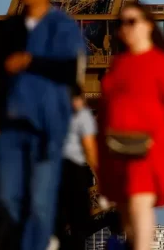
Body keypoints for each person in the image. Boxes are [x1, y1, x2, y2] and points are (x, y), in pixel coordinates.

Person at [0, 0, 86, 250]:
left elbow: (71, 70)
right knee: (7, 198)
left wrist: (30, 61)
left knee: (40, 202)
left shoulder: (62, 27)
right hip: (11, 126)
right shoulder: (10, 28)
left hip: (45, 127)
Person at [97, 1, 164, 250]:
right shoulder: (119, 63)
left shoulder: (161, 62)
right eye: (120, 23)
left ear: (149, 25)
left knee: (139, 202)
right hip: (116, 145)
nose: (125, 28)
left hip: (149, 145)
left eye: (132, 21)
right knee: (126, 210)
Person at [54, 95, 98, 250]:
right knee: (79, 223)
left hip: (53, 171)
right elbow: (90, 149)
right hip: (75, 171)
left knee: (58, 222)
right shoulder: (83, 115)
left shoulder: (48, 108)